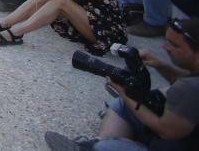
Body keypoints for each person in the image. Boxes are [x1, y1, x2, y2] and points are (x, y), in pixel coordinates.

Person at [44, 17, 199, 150]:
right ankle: (95, 144)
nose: (165, 47)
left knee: (106, 147)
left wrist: (127, 96)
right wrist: (159, 64)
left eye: (175, 45)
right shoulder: (191, 80)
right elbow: (183, 78)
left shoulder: (188, 89)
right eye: (167, 41)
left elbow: (166, 130)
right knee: (121, 105)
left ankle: (97, 147)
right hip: (179, 134)